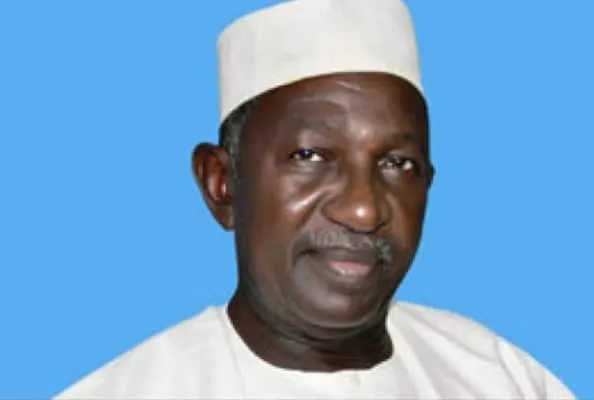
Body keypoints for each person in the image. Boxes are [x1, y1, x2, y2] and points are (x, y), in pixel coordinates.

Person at [56, 0, 575, 398]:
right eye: (309, 155)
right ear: (222, 184)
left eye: (398, 164)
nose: (364, 209)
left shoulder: (500, 377)